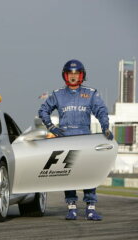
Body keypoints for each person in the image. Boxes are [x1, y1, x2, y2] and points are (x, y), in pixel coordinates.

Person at [38, 59, 114, 221]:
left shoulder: (90, 93)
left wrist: (105, 127)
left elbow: (101, 110)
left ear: (82, 75)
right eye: (70, 74)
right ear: (64, 76)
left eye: (76, 74)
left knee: (89, 174)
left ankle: (91, 208)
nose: (73, 77)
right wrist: (51, 127)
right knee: (69, 175)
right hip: (66, 140)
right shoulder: (58, 94)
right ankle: (71, 208)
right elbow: (43, 110)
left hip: (85, 140)